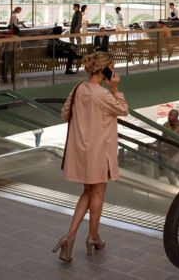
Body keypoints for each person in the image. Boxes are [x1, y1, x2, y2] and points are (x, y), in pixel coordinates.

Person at [53, 51, 128, 262]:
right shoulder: (103, 94)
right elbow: (123, 110)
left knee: (87, 193)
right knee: (98, 194)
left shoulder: (78, 89)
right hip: (99, 151)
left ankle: (70, 237)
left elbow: (64, 114)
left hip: (81, 150)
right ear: (105, 70)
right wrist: (115, 88)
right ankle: (93, 237)